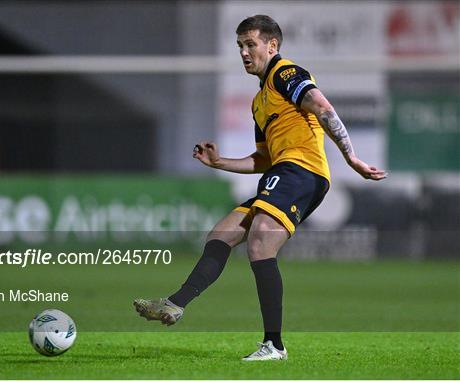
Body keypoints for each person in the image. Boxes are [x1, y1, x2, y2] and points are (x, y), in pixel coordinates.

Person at [134, 15, 387, 361]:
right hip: (283, 169)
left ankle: (274, 345)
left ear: (272, 46)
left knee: (260, 240)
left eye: (250, 44)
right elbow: (263, 159)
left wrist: (352, 158)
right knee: (221, 234)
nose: (243, 52)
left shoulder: (285, 74)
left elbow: (323, 108)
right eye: (240, 45)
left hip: (302, 170)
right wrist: (220, 162)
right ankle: (175, 304)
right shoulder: (259, 102)